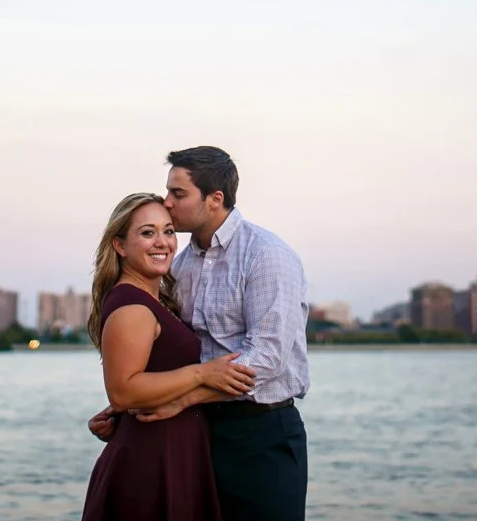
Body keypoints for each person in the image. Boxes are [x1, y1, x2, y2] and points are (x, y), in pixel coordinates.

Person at [89, 147, 311, 521]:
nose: (167, 202)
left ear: (215, 200)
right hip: (200, 435)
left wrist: (183, 399)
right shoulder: (180, 265)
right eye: (167, 192)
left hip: (260, 434)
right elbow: (165, 350)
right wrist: (127, 408)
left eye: (178, 194)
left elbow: (266, 360)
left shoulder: (266, 255)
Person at [80, 191, 256, 521]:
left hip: (173, 455)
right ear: (119, 245)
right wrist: (202, 374)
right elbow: (122, 391)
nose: (162, 243)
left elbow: (143, 381)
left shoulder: (157, 301)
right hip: (149, 465)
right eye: (147, 233)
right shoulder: (132, 306)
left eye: (169, 231)